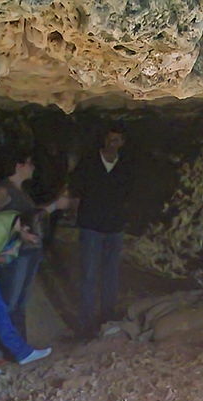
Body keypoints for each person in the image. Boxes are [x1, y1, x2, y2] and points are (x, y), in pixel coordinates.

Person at [0, 149, 70, 340]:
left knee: (20, 300)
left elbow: (31, 217)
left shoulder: (21, 191)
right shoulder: (6, 188)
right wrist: (13, 230)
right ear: (18, 166)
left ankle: (18, 345)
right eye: (30, 163)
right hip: (16, 252)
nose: (33, 168)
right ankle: (2, 345)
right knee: (10, 300)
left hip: (29, 251)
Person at [71, 124, 134, 337]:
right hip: (91, 226)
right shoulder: (89, 162)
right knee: (89, 275)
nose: (111, 144)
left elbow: (130, 194)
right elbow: (76, 188)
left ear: (122, 143)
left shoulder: (126, 165)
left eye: (116, 140)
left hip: (114, 227)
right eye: (109, 139)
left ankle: (107, 319)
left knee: (111, 275)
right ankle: (87, 325)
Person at [0, 210, 52, 368]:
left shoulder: (16, 223)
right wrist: (4, 258)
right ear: (26, 229)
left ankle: (22, 353)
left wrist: (6, 256)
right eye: (34, 238)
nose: (34, 242)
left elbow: (12, 252)